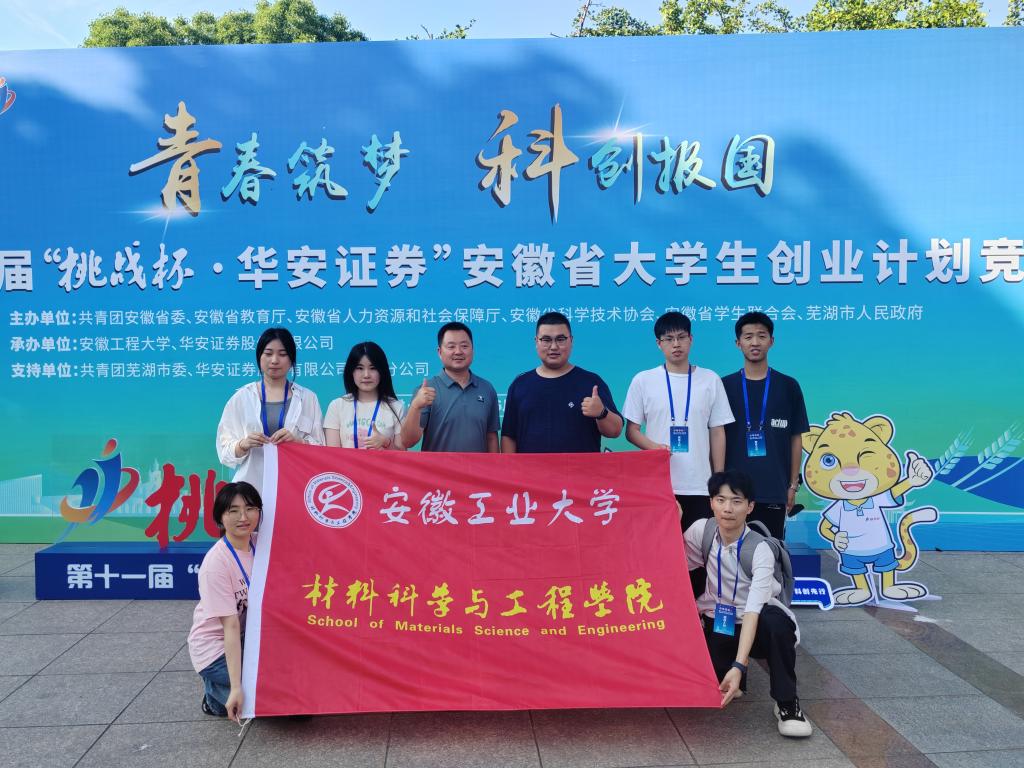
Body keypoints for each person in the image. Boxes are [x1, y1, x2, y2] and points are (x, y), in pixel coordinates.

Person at [684, 470, 811, 738]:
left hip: (757, 621)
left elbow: (753, 610)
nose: (727, 509)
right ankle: (735, 675)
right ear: (711, 502)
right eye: (721, 500)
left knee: (777, 626)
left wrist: (739, 665)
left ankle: (787, 703)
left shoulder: (759, 549)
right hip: (720, 618)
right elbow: (673, 563)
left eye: (736, 501)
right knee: (714, 682)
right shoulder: (701, 531)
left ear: (750, 506)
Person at [624, 312, 733, 531]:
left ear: (691, 339)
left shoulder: (710, 379)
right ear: (659, 344)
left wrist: (718, 478)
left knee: (698, 548)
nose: (676, 344)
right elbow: (631, 431)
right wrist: (654, 448)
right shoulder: (643, 380)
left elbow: (717, 431)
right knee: (659, 547)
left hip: (700, 485)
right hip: (658, 485)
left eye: (681, 337)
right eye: (669, 339)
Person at [722, 312, 810, 540]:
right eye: (748, 337)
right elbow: (716, 438)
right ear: (738, 343)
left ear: (771, 341)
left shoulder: (788, 386)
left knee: (770, 554)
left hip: (773, 490)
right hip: (732, 493)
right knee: (731, 555)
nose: (755, 342)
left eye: (761, 336)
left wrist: (792, 485)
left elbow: (796, 438)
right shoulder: (723, 386)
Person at [188, 481, 262, 722]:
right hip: (215, 648)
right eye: (233, 511)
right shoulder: (216, 564)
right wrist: (237, 686)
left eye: (250, 508)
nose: (244, 517)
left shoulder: (261, 543)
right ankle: (214, 698)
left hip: (248, 636)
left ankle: (232, 687)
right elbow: (230, 626)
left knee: (287, 676)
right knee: (263, 695)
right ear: (220, 517)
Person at [216, 327, 325, 487]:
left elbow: (322, 450)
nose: (274, 360)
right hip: (252, 487)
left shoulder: (308, 398)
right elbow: (224, 452)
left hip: (296, 485)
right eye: (268, 353)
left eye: (282, 354)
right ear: (259, 357)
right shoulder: (241, 398)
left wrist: (298, 441)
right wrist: (243, 444)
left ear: (291, 360)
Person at [501, 311, 622, 453]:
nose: (553, 347)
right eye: (546, 340)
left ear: (571, 341)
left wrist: (601, 413)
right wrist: (510, 466)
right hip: (530, 468)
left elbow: (615, 430)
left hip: (580, 468)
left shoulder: (591, 382)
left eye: (560, 339)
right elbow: (508, 436)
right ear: (536, 342)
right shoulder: (520, 385)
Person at [399, 322, 500, 453]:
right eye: (451, 346)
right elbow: (408, 441)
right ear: (440, 352)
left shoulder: (487, 389)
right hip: (437, 467)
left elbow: (491, 438)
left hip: (478, 467)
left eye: (464, 346)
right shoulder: (426, 390)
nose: (458, 351)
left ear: (473, 350)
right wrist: (415, 407)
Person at [325, 341, 407, 450]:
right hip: (344, 462)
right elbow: (332, 454)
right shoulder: (337, 406)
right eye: (360, 368)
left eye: (373, 368)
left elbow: (402, 456)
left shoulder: (397, 407)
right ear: (351, 371)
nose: (366, 375)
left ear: (382, 371)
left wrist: (386, 442)